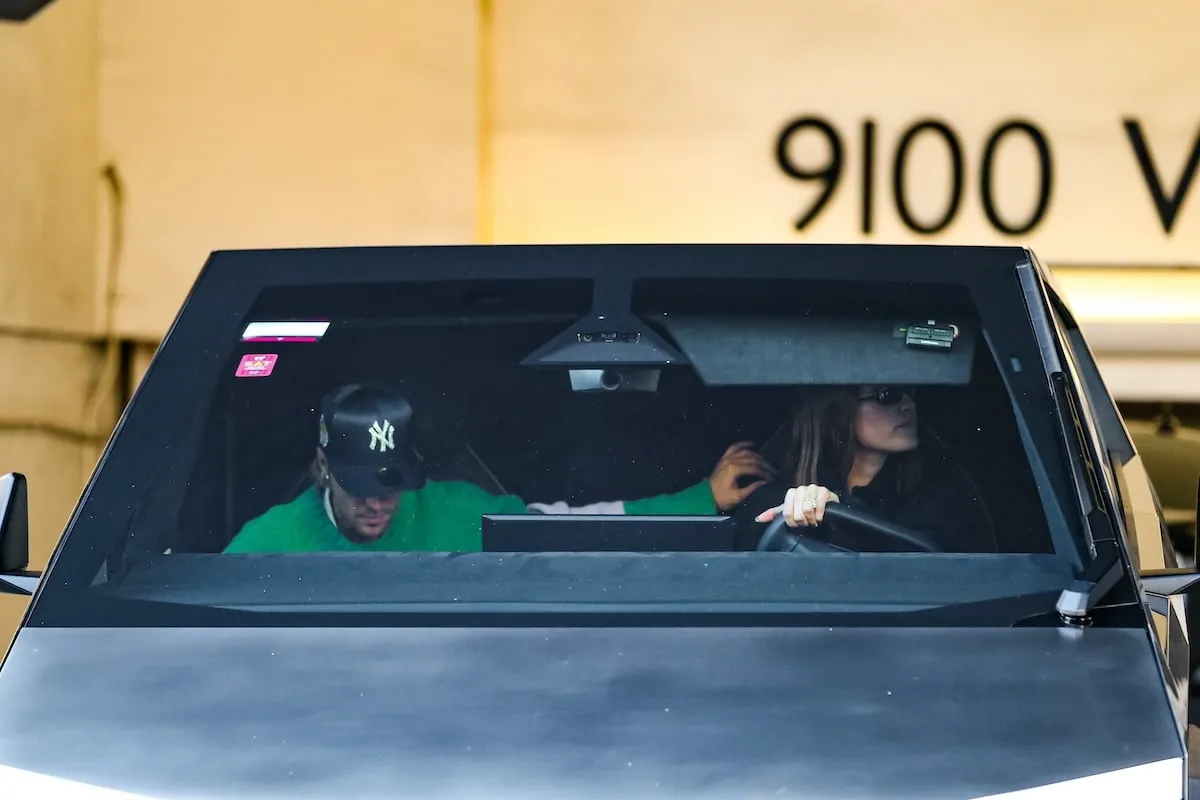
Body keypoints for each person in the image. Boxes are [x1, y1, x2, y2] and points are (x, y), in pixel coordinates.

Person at [224, 383, 772, 553]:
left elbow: (561, 530)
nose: (377, 503)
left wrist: (698, 501)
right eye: (360, 486)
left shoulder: (458, 509)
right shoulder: (266, 543)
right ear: (324, 468)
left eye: (392, 485)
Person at [738, 384, 996, 552]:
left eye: (910, 393)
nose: (908, 405)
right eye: (888, 395)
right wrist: (797, 515)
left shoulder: (939, 496)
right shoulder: (777, 493)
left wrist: (842, 511)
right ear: (838, 410)